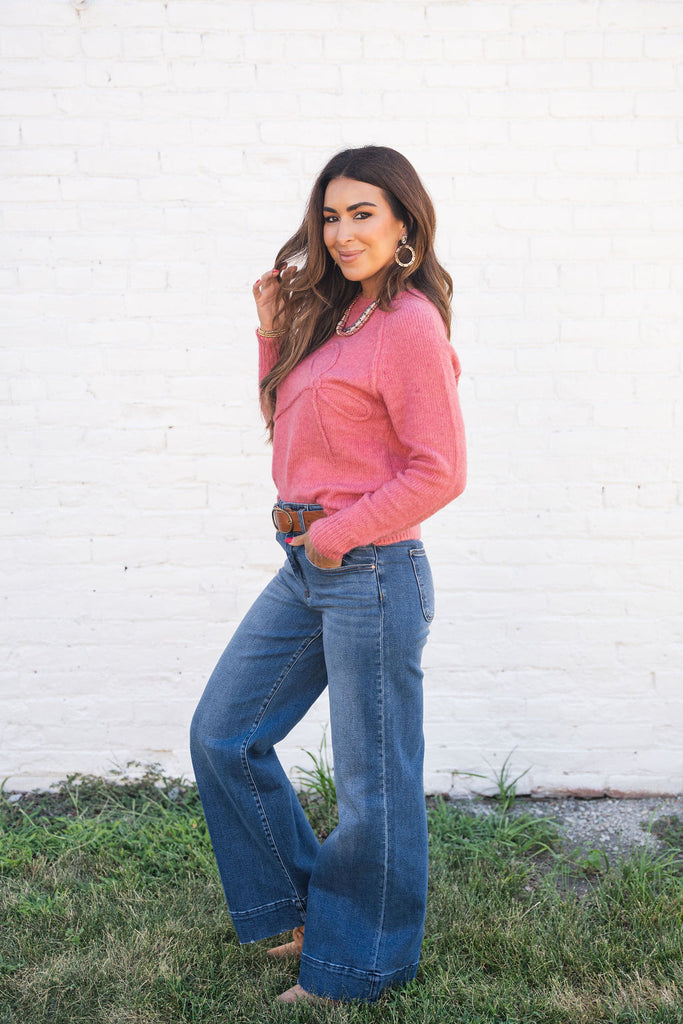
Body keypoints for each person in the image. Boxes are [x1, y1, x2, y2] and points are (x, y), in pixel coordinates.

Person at [190, 145, 466, 1005]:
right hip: (308, 564)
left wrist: (336, 537)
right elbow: (287, 429)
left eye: (362, 215)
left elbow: (440, 471)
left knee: (371, 783)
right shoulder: (334, 318)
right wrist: (274, 330)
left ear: (404, 224)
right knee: (224, 736)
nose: (342, 233)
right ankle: (312, 908)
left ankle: (355, 967)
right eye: (331, 216)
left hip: (370, 569)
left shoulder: (408, 325)